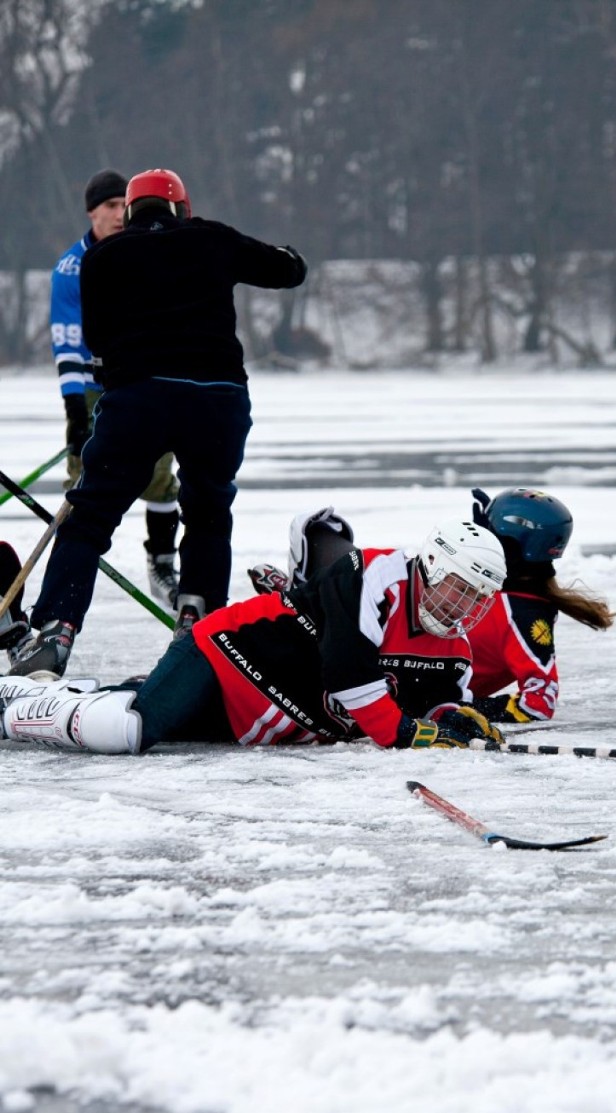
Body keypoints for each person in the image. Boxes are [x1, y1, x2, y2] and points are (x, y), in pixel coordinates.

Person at [11, 167, 308, 681]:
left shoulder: (102, 257)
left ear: (128, 212)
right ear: (181, 208)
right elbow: (288, 271)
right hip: (218, 399)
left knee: (89, 517)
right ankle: (198, 622)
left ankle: (55, 632)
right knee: (209, 510)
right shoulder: (211, 237)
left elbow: (98, 341)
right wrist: (284, 253)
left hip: (139, 399)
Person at [0, 519, 507, 755]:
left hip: (267, 719)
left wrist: (458, 722)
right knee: (130, 729)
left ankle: (71, 693)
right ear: (433, 566)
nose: (463, 607)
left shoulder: (455, 649)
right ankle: (14, 705)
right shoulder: (376, 574)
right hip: (229, 656)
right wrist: (405, 733)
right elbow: (348, 671)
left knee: (142, 706)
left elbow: (437, 707)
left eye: (478, 598)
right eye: (459, 589)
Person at [254, 491, 615, 725]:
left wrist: (469, 711)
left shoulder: (520, 614)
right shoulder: (506, 597)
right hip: (399, 663)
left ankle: (303, 592)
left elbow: (539, 702)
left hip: (417, 682)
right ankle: (304, 592)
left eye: (484, 527)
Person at [50, 169, 181, 613]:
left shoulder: (145, 252)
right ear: (92, 212)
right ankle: (66, 567)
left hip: (140, 379)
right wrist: (75, 411)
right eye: (107, 207)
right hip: (90, 384)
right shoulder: (71, 268)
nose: (116, 215)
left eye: (119, 205)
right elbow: (67, 339)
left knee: (160, 473)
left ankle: (162, 562)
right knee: (83, 478)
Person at [466, 487, 615, 722]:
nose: (476, 540)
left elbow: (537, 703)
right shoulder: (483, 590)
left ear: (507, 546)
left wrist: (464, 708)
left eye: (486, 535)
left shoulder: (520, 614)